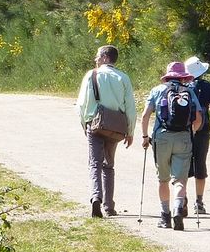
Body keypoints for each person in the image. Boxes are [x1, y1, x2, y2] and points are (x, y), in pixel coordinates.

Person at [141, 62, 203, 230]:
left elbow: (145, 115)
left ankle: (165, 216)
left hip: (162, 137)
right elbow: (198, 119)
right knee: (180, 180)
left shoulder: (157, 90)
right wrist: (191, 132)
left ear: (167, 76)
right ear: (183, 77)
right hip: (183, 137)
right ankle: (177, 209)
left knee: (163, 179)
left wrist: (145, 136)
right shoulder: (189, 91)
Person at [76, 45, 137, 218]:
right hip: (115, 127)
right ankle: (109, 206)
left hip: (94, 124)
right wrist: (130, 131)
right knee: (108, 165)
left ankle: (96, 196)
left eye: (97, 56)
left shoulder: (91, 75)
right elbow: (130, 107)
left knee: (94, 163)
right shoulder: (123, 77)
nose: (95, 59)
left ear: (104, 57)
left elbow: (82, 104)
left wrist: (85, 124)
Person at [184, 56, 210, 215]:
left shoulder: (181, 86)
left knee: (182, 164)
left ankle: (182, 200)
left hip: (183, 130)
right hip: (202, 130)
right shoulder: (208, 87)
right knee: (200, 164)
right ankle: (199, 202)